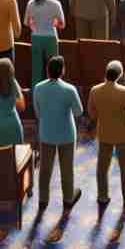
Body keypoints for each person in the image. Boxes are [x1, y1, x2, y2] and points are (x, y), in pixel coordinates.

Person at [87, 59, 125, 208]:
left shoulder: (95, 90)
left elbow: (91, 114)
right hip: (123, 134)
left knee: (102, 167)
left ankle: (103, 196)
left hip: (104, 133)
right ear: (120, 75)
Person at [33, 54, 85, 209]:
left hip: (46, 133)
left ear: (48, 71)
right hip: (66, 134)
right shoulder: (69, 89)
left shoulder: (38, 88)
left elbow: (37, 112)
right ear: (63, 71)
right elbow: (78, 112)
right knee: (67, 169)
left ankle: (43, 199)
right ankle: (68, 198)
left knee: (44, 169)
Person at [25, 0, 65, 87]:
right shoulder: (55, 4)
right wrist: (54, 23)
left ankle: (35, 98)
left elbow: (27, 22)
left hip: (36, 37)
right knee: (54, 70)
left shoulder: (31, 4)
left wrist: (35, 27)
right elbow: (62, 24)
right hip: (51, 37)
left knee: (36, 71)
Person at [0, 56, 25, 146]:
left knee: (1, 155)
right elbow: (22, 106)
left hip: (0, 124)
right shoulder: (14, 82)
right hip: (14, 123)